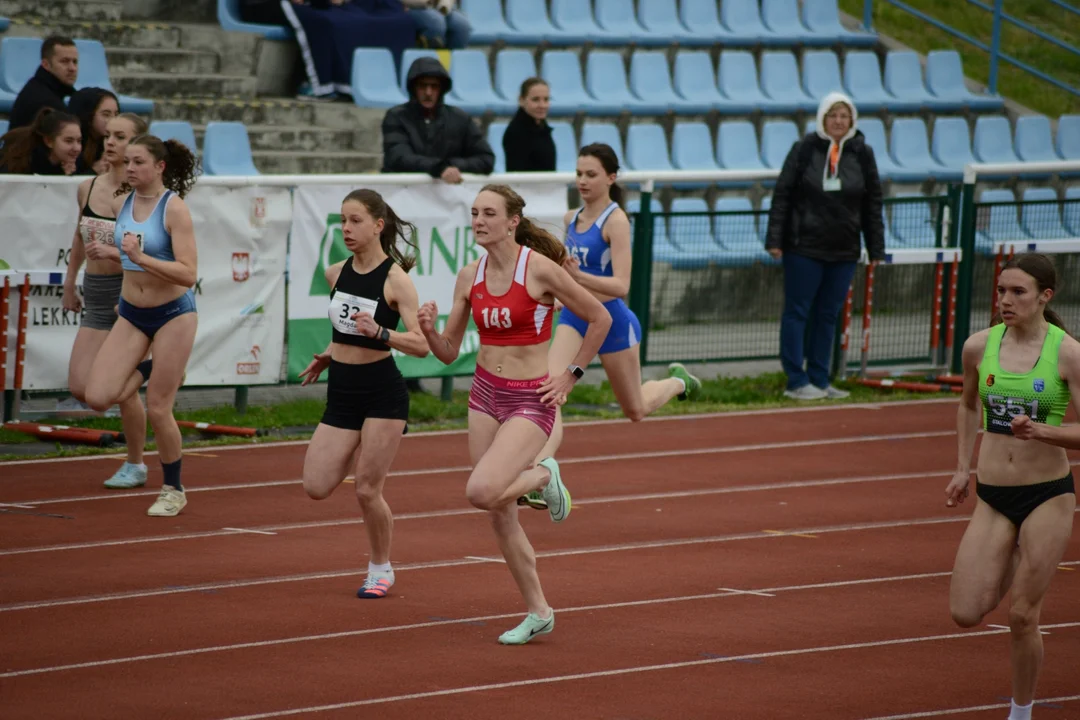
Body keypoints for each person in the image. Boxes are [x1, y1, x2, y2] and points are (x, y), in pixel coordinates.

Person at [417, 184, 611, 644]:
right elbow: (447, 353)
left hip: (529, 397)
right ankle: (539, 611)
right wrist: (428, 331)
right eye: (474, 213)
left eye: (489, 213)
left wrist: (570, 375)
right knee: (500, 512)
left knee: (483, 491)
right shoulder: (469, 276)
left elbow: (599, 317)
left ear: (512, 221)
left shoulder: (539, 269)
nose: (479, 221)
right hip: (485, 394)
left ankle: (544, 477)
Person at [519, 143, 701, 511]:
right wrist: (558, 293)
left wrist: (577, 276)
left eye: (591, 175)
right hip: (575, 316)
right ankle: (540, 470)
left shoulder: (616, 222)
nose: (582, 181)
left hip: (613, 321)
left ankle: (680, 381)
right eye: (579, 174)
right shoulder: (571, 219)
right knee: (550, 390)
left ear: (611, 178)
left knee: (634, 409)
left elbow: (621, 286)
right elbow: (564, 276)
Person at [945, 253, 1078, 720]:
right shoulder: (979, 346)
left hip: (1047, 494)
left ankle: (1020, 713)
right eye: (1001, 290)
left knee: (1023, 616)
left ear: (1045, 296)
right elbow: (965, 405)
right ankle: (1017, 551)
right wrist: (963, 467)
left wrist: (1042, 431)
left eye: (1017, 292)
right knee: (964, 611)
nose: (1005, 300)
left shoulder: (1067, 353)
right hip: (993, 496)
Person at [297, 188, 429, 600]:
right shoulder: (335, 272)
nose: (346, 229)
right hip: (343, 392)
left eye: (355, 221)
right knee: (315, 486)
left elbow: (422, 344)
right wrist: (328, 356)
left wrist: (383, 333)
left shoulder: (396, 280)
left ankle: (380, 567)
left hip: (382, 393)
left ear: (378, 225)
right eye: (342, 221)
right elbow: (344, 331)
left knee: (367, 489)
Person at [84, 135, 200, 518]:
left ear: (159, 167)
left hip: (172, 315)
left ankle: (173, 488)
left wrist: (137, 256)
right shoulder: (124, 201)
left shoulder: (175, 209)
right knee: (98, 395)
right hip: (132, 312)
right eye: (127, 162)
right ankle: (155, 368)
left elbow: (187, 273)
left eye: (137, 162)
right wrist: (115, 254)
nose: (129, 168)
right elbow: (131, 253)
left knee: (158, 407)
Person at [764, 90, 884, 401]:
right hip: (803, 247)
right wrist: (775, 240)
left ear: (852, 120)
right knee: (798, 312)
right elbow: (783, 195)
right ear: (822, 118)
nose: (839, 121)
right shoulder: (804, 149)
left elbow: (872, 202)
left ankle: (820, 376)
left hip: (844, 249)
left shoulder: (863, 153)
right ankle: (796, 379)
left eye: (844, 116)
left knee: (828, 314)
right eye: (833, 115)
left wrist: (876, 247)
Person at [62, 113, 152, 490]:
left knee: (113, 392)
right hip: (95, 294)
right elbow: (80, 238)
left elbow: (150, 253)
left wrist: (116, 255)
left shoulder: (139, 197)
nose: (110, 141)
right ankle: (146, 371)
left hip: (125, 296)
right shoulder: (88, 186)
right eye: (109, 135)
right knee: (82, 387)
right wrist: (70, 284)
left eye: (121, 137)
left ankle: (135, 463)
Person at [381, 56, 494, 184]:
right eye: (422, 86)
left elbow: (486, 159)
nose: (428, 92)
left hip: (448, 199)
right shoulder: (396, 117)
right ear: (413, 88)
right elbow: (399, 158)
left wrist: (451, 166)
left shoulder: (460, 118)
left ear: (441, 89)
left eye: (434, 86)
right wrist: (439, 167)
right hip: (401, 195)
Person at [8, 35, 78, 131]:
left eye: (75, 62)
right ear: (46, 64)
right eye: (65, 61)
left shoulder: (38, 87)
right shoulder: (47, 103)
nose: (72, 68)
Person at [0, 107, 83, 175]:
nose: (76, 148)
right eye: (68, 141)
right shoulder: (20, 165)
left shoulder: (74, 165)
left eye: (79, 141)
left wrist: (68, 178)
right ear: (49, 141)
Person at [502, 77, 555, 173]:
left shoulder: (542, 127)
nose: (542, 105)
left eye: (546, 99)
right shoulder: (515, 133)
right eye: (535, 100)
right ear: (521, 100)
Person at [68, 87, 119, 175]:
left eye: (116, 114)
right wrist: (94, 171)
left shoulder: (112, 144)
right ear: (88, 115)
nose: (113, 120)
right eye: (106, 114)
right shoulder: (70, 145)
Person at [403, 0, 472, 49]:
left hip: (437, 6)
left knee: (461, 25)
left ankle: (452, 65)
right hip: (410, 6)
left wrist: (444, 6)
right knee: (436, 22)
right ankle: (426, 63)